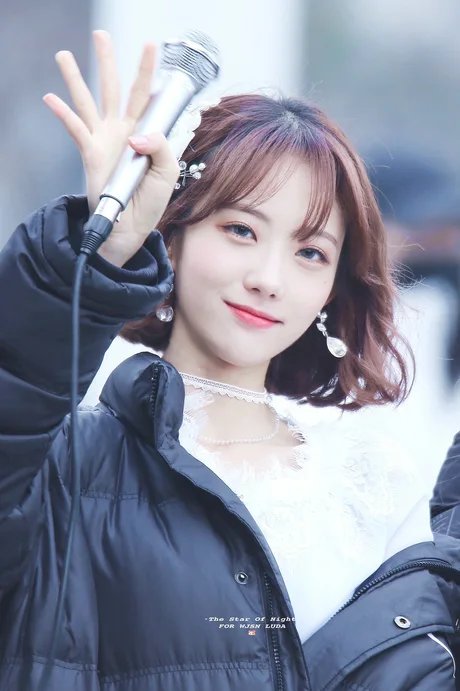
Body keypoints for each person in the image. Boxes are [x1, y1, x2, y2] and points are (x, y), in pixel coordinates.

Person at [0, 29, 459, 691]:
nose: (268, 278)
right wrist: (105, 253)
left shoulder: (374, 482)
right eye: (241, 230)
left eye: (310, 253)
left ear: (333, 287)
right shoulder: (70, 461)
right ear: (174, 234)